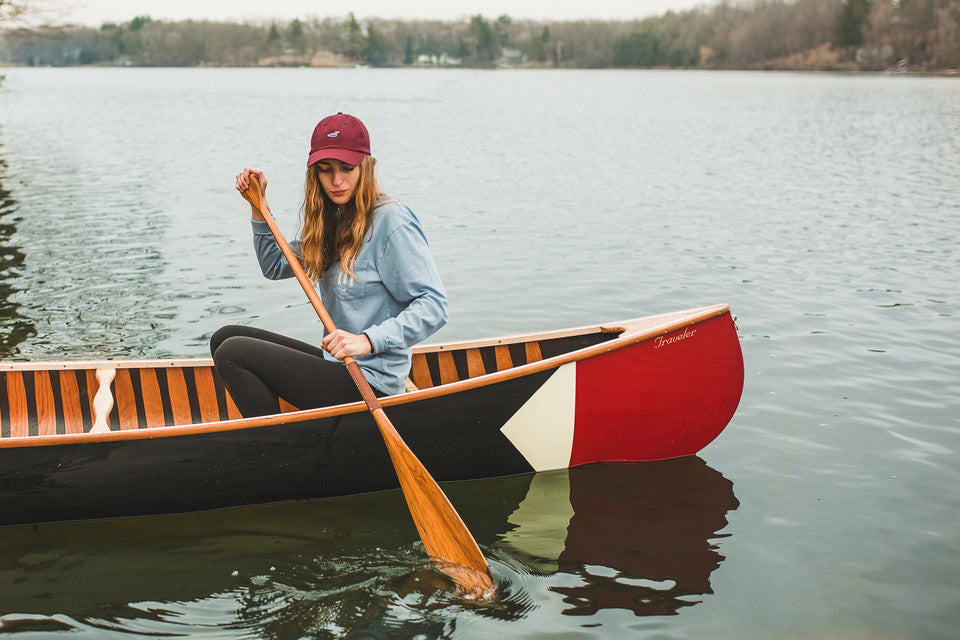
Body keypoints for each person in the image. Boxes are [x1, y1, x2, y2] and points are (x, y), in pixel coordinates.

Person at [210, 112, 448, 417]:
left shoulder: (391, 222)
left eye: (347, 169)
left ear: (366, 167)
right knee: (224, 337)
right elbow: (275, 266)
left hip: (372, 384)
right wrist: (260, 207)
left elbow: (434, 306)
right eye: (326, 170)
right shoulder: (332, 220)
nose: (337, 181)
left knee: (234, 353)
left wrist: (367, 340)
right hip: (338, 367)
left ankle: (278, 450)